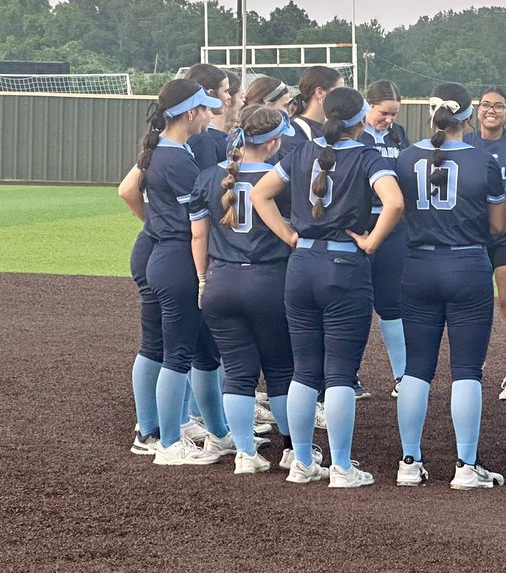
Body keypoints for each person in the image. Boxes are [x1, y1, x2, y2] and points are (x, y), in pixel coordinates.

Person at [251, 87, 404, 488]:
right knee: (339, 373)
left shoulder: (299, 152)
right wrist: (371, 242)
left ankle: (301, 462)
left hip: (302, 265)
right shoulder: (367, 155)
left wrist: (289, 235)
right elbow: (395, 203)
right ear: (359, 119)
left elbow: (259, 193)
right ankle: (341, 467)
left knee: (304, 371)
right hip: (344, 267)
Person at [392, 83, 506, 490]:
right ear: (469, 116)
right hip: (467, 264)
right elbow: (498, 225)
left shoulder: (407, 158)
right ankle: (465, 464)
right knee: (466, 371)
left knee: (415, 370)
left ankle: (409, 461)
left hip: (419, 263)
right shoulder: (484, 160)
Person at [117, 78, 231, 465]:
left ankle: (199, 432)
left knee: (188, 348)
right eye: (205, 108)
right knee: (175, 353)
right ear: (190, 112)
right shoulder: (178, 157)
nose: (210, 114)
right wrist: (203, 273)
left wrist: (157, 224)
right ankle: (166, 440)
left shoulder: (162, 151)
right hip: (177, 257)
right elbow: (198, 225)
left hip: (162, 252)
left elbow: (129, 192)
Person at [189, 105, 305, 474]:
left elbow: (198, 235)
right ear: (272, 142)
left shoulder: (209, 177)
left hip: (221, 281)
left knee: (237, 372)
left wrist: (203, 280)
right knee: (281, 370)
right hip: (269, 281)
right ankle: (291, 450)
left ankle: (244, 454)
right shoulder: (283, 179)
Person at [464, 87, 506, 402]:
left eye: (499, 106)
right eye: (486, 105)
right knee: (471, 308)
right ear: (477, 110)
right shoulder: (465, 142)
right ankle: (469, 372)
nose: (491, 110)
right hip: (470, 235)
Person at [360, 80, 411, 399]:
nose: (389, 119)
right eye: (384, 112)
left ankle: (403, 376)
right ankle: (346, 376)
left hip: (393, 228)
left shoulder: (398, 134)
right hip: (360, 226)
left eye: (394, 114)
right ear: (368, 105)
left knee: (392, 303)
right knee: (354, 305)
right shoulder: (353, 134)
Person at [183, 64, 236, 170]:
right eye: (225, 91)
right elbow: (205, 183)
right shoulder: (203, 139)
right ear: (210, 93)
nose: (229, 96)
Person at [281, 65, 344, 154]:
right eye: (339, 92)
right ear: (320, 93)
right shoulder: (292, 134)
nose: (344, 97)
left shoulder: (336, 128)